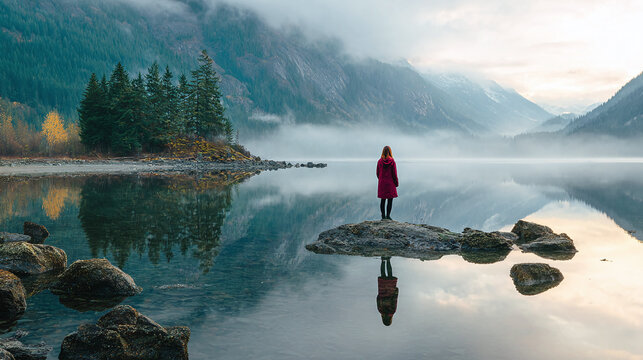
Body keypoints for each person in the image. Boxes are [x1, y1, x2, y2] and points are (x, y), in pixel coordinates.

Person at [376, 146, 398, 220]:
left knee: (383, 200)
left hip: (382, 183)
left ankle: (383, 216)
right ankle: (388, 216)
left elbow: (377, 173)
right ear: (390, 152)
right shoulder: (392, 161)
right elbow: (394, 174)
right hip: (390, 183)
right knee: (390, 200)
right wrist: (396, 183)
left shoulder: (379, 161)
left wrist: (381, 179)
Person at [377, 256, 398, 326]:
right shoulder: (380, 311)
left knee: (390, 274)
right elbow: (377, 300)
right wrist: (379, 295)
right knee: (383, 274)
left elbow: (395, 301)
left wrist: (396, 292)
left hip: (390, 291)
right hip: (382, 291)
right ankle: (383, 260)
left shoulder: (392, 311)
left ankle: (388, 260)